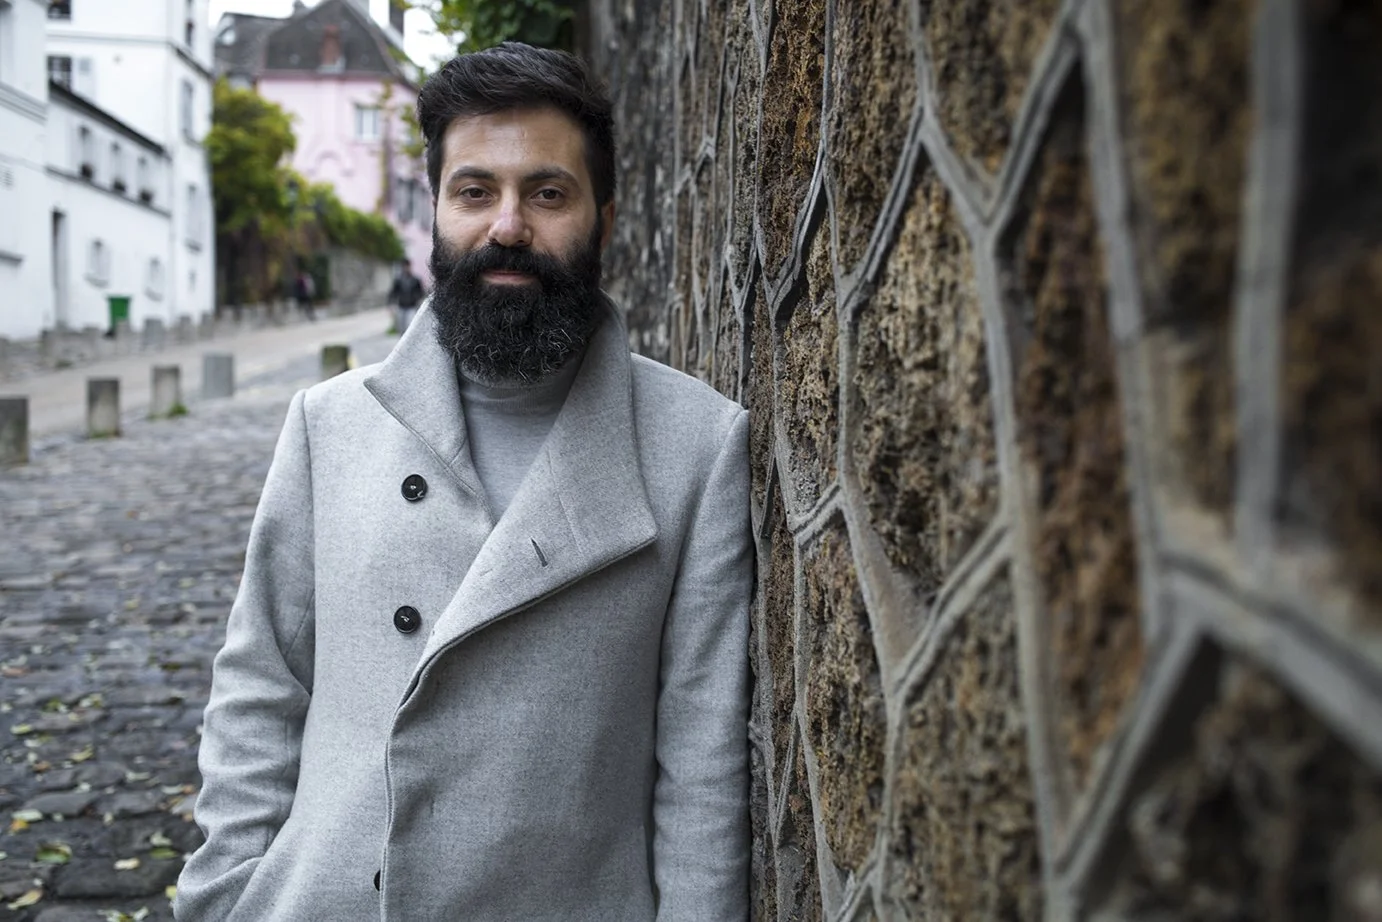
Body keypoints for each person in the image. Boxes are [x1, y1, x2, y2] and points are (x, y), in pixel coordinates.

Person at [175, 42, 752, 922]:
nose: (508, 226)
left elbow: (702, 769)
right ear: (437, 211)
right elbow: (260, 685)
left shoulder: (697, 445)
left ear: (604, 217)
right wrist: (224, 895)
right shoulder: (328, 425)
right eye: (474, 191)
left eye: (547, 193)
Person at [388, 260, 427, 334]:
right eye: (404, 266)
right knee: (401, 328)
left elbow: (421, 292)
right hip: (401, 306)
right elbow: (393, 293)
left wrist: (417, 298)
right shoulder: (398, 280)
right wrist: (391, 304)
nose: (406, 268)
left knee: (409, 325)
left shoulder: (416, 280)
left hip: (411, 306)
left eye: (407, 266)